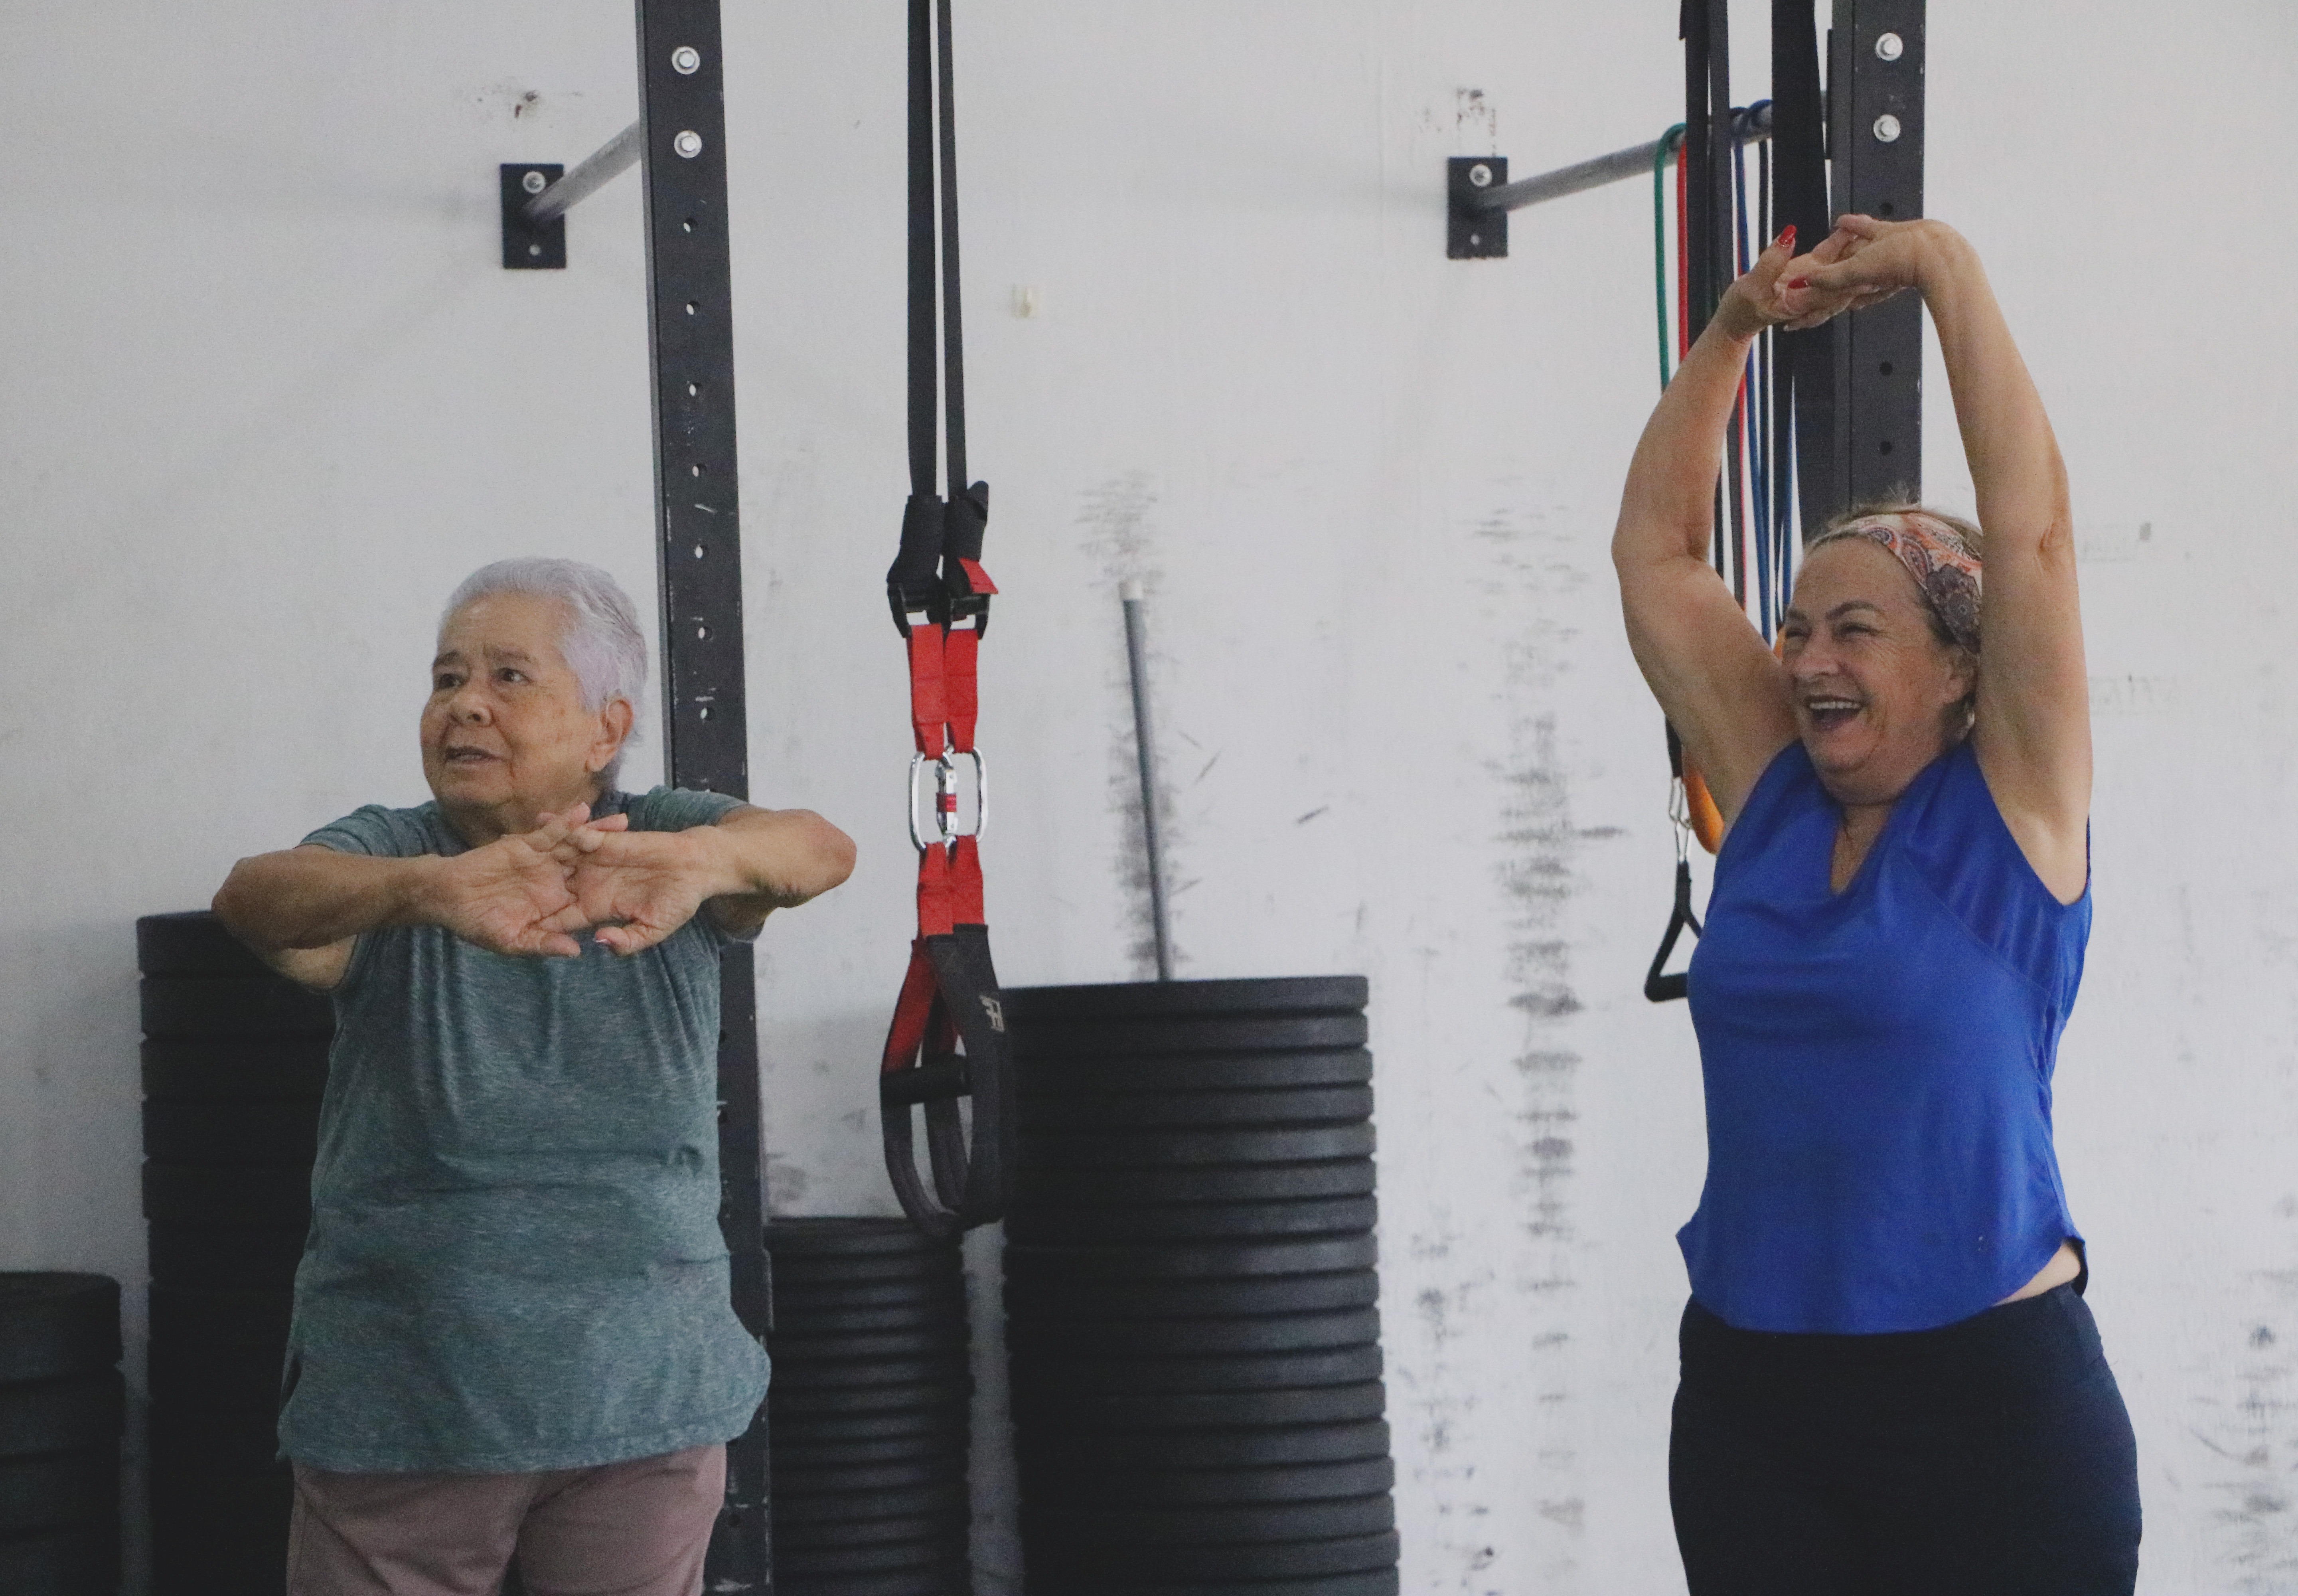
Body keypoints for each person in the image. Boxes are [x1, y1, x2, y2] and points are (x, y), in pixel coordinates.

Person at [1610, 215, 2142, 1594]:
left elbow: (2030, 537)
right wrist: (1730, 330)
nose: (1804, 658)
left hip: (1988, 1408)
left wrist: (1948, 271)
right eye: (1796, 627)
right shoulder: (1777, 799)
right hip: (1754, 1404)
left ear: (1961, 671)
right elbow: (1660, 556)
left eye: (1856, 630)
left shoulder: (2015, 811)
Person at [212, 557, 856, 1596]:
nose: (463, 704)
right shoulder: (393, 855)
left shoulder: (665, 843)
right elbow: (256, 897)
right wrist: (431, 892)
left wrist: (705, 864)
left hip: (642, 1398)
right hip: (408, 1400)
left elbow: (820, 848)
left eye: (509, 677)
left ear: (607, 728)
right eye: (445, 677)